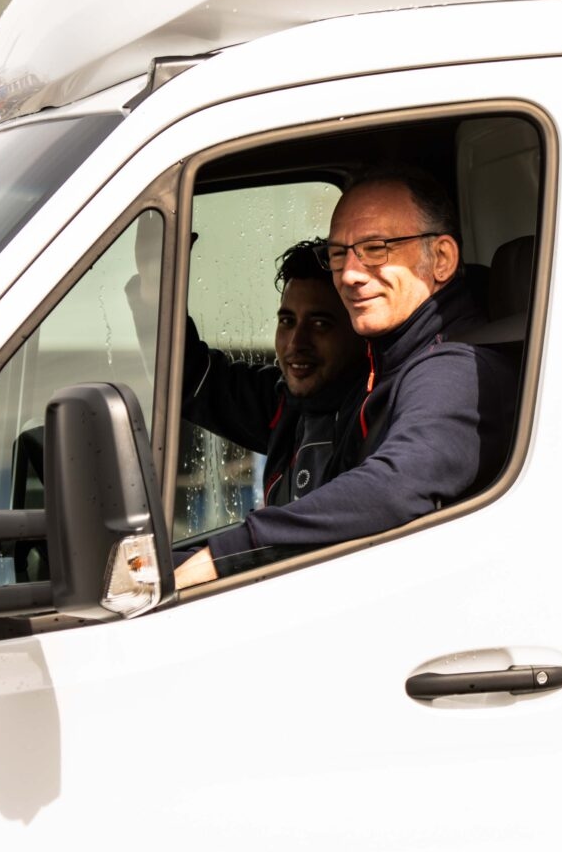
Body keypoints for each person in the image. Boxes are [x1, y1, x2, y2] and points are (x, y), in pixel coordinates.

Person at [173, 166, 518, 586]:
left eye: (375, 249)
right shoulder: (368, 372)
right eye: (339, 254)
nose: (350, 274)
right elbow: (196, 383)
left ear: (441, 259)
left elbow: (394, 486)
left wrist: (228, 555)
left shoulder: (457, 368)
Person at [146, 237, 368, 536]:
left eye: (320, 324)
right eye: (287, 321)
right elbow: (188, 378)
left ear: (360, 328)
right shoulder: (285, 405)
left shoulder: (376, 413)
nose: (296, 343)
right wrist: (157, 283)